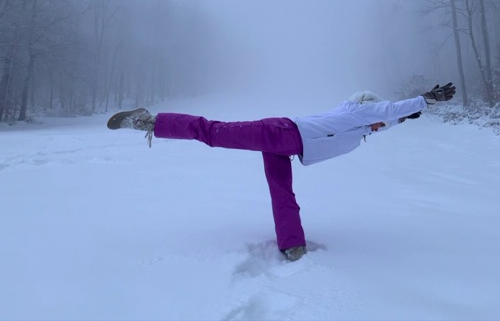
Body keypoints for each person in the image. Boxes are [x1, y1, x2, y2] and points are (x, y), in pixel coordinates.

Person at [107, 83, 456, 261]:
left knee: (283, 194)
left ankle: (293, 246)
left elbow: (388, 117)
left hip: (287, 147)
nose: (381, 124)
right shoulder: (357, 112)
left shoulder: (364, 126)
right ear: (369, 108)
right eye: (380, 118)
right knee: (213, 133)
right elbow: (388, 109)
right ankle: (149, 121)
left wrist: (406, 117)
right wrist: (424, 100)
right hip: (281, 132)